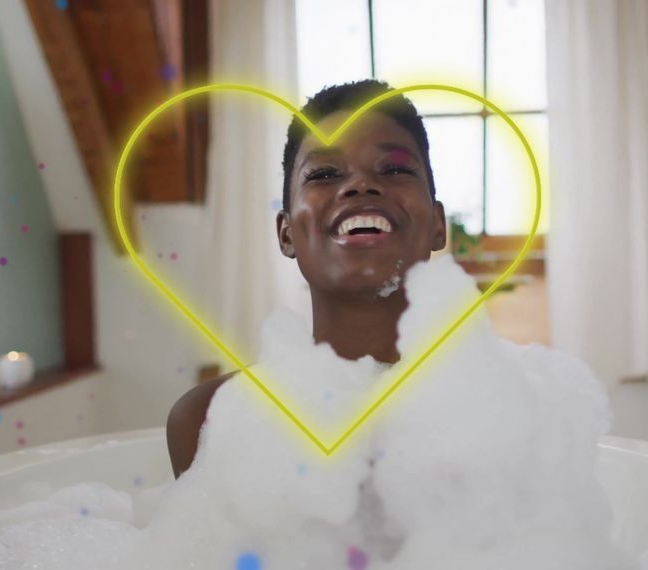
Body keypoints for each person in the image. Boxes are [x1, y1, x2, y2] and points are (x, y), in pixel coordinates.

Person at [166, 79, 447, 477]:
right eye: (324, 173)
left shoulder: (511, 406)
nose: (360, 185)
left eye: (396, 169)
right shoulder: (206, 420)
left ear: (438, 224)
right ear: (286, 234)